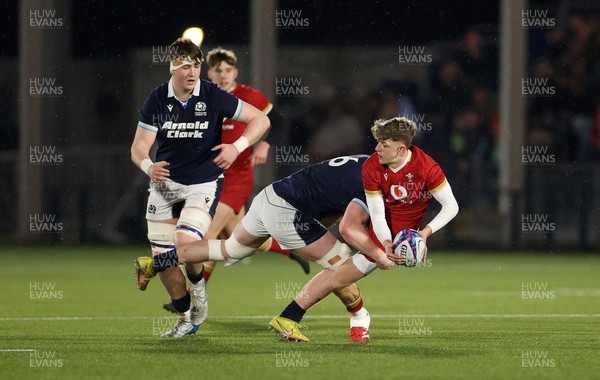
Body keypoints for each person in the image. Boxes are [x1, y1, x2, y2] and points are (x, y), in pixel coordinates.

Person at [134, 154, 398, 342]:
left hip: (270, 196)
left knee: (230, 249)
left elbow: (329, 207)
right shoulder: (373, 180)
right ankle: (355, 319)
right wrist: (379, 254)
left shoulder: (366, 162)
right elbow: (348, 227)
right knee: (341, 265)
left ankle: (154, 263)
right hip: (286, 211)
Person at [270, 116, 459, 342]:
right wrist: (386, 244)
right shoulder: (372, 166)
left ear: (401, 150)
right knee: (343, 248)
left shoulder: (427, 168)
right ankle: (294, 311)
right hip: (375, 217)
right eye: (377, 141)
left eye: (383, 144)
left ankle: (351, 317)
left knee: (338, 276)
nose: (376, 148)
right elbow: (377, 214)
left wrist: (424, 233)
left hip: (401, 230)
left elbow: (451, 206)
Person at [131, 38, 270, 338]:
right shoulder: (157, 99)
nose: (192, 72)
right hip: (164, 187)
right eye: (184, 66)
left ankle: (199, 293)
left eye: (195, 65)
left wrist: (238, 146)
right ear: (172, 68)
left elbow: (261, 119)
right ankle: (185, 318)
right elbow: (139, 147)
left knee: (185, 243)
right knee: (167, 261)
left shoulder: (213, 95)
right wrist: (148, 166)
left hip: (202, 184)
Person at [161, 46, 310, 314]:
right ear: (210, 72)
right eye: (218, 70)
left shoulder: (249, 96)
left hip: (235, 180)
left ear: (235, 72)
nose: (223, 74)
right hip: (206, 178)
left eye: (228, 70)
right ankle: (291, 248)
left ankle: (193, 301)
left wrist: (264, 146)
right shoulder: (202, 96)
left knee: (203, 236)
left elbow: (277, 121)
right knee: (244, 239)